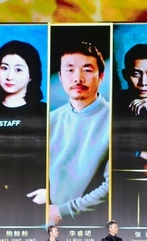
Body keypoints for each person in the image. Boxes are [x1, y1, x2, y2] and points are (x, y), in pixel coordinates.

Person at [36, 41, 110, 224]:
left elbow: (112, 186)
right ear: (60, 77)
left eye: (87, 70)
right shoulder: (50, 120)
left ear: (101, 76)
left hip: (96, 225)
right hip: (49, 224)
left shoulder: (115, 120)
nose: (78, 78)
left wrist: (63, 211)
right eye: (70, 70)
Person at [0, 39, 47, 227]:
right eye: (4, 68)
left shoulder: (45, 114)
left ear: (31, 75)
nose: (9, 76)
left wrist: (51, 191)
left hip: (34, 203)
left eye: (19, 69)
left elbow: (65, 160)